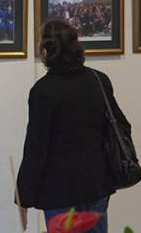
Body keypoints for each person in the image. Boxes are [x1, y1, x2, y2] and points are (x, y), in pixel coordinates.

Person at [16, 20, 132, 233]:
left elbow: (36, 148)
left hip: (58, 189)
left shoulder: (43, 91)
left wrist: (23, 195)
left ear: (45, 51)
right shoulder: (98, 80)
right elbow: (122, 124)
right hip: (97, 182)